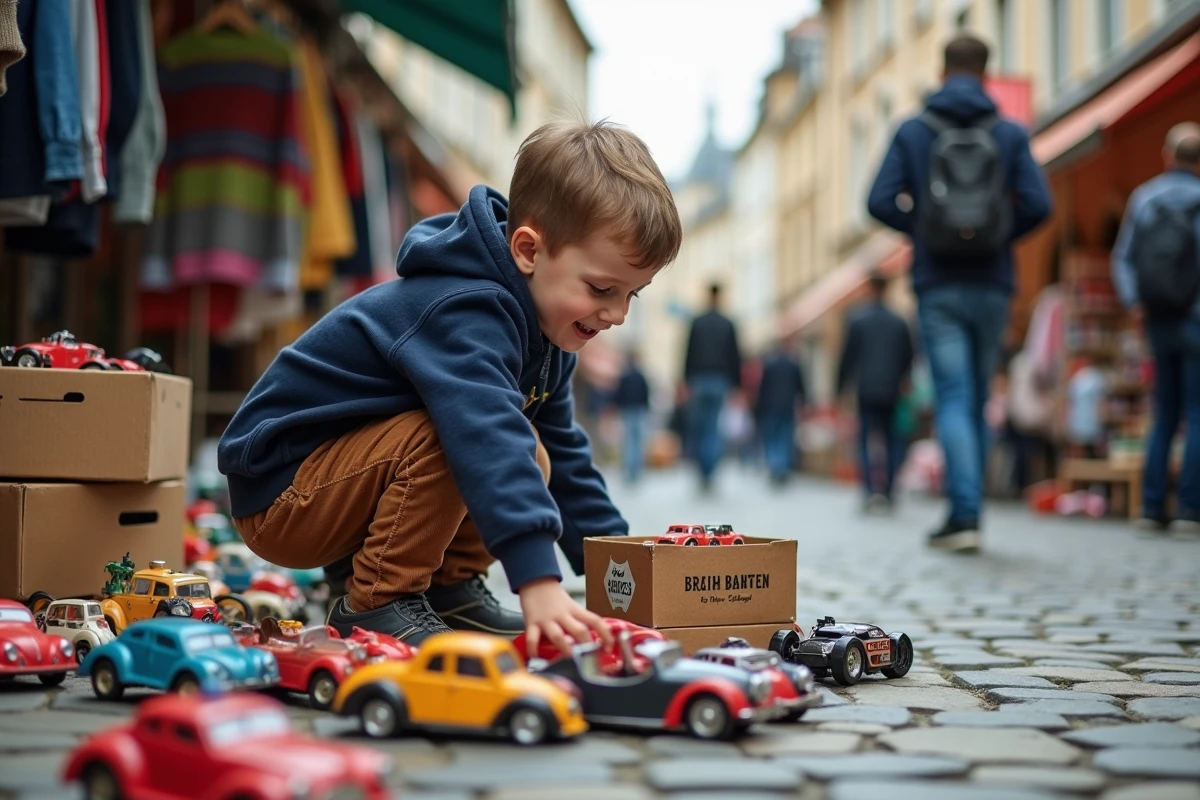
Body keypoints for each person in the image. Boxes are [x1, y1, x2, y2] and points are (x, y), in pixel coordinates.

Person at [217, 120, 683, 653]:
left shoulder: (549, 336)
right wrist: (537, 582)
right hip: (282, 493)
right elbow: (485, 437)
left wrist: (620, 575)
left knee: (537, 451)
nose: (618, 314)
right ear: (529, 251)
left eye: (633, 295)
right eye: (602, 288)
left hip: (343, 480)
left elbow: (567, 460)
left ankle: (449, 590)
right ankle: (375, 604)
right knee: (465, 434)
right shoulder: (466, 310)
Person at [867, 34, 1052, 551]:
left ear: (942, 71)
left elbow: (878, 200)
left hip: (938, 282)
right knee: (976, 398)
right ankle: (972, 509)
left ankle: (963, 514)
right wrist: (996, 233)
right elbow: (1039, 204)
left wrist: (923, 227)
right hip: (993, 282)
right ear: (986, 72)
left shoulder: (914, 130)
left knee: (951, 395)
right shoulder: (1009, 133)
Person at [1111, 121, 1200, 534]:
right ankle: (1188, 508)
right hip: (1195, 320)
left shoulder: (1144, 198)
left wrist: (1136, 303)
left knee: (1164, 411)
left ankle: (1150, 506)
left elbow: (1123, 258)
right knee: (1197, 413)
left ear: (1167, 155)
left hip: (1158, 318)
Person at [836, 273, 914, 511]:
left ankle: (870, 490)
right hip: (892, 389)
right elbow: (908, 355)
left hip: (866, 389)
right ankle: (889, 490)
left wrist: (840, 388)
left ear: (870, 288)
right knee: (892, 440)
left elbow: (847, 358)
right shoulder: (899, 321)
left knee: (865, 440)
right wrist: (903, 379)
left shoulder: (858, 320)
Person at [683, 283, 743, 492]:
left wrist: (685, 380)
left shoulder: (697, 322)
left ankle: (703, 471)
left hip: (699, 380)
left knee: (700, 428)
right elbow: (736, 356)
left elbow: (688, 353)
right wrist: (737, 385)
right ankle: (710, 472)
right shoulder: (728, 323)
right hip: (720, 381)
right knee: (713, 428)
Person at [755, 338, 807, 485]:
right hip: (787, 405)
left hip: (770, 406)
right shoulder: (793, 364)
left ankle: (775, 466)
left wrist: (759, 408)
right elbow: (801, 386)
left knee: (772, 437)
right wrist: (804, 402)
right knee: (785, 436)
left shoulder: (769, 365)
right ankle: (782, 467)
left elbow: (763, 389)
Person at [612, 349, 652, 483]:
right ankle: (636, 470)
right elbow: (646, 393)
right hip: (639, 410)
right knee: (638, 441)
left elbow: (619, 394)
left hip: (627, 410)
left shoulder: (624, 376)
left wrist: (617, 406)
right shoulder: (641, 375)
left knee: (628, 441)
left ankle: (629, 469)